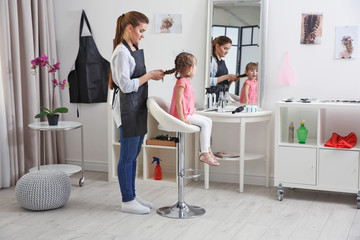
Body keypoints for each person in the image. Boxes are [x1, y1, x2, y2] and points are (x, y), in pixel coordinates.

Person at [109, 11, 164, 214]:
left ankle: (131, 194)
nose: (143, 35)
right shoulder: (121, 52)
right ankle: (126, 200)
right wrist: (149, 75)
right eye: (141, 30)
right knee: (127, 156)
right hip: (127, 109)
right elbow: (125, 85)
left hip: (137, 107)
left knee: (134, 154)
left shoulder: (133, 47)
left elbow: (135, 79)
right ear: (129, 28)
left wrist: (152, 75)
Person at [166, 52, 219, 166]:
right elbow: (178, 102)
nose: (196, 69)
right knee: (205, 124)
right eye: (195, 67)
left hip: (187, 113)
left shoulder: (186, 81)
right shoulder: (181, 82)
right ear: (190, 68)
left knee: (208, 121)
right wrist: (182, 119)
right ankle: (204, 153)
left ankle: (207, 149)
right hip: (181, 115)